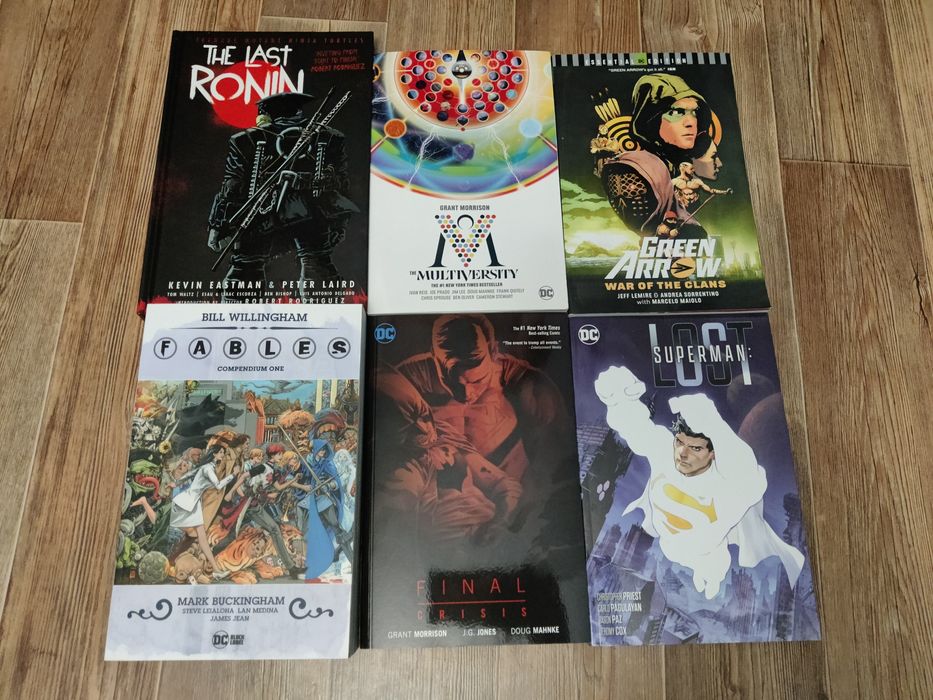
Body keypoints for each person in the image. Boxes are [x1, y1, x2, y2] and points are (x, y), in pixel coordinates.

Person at [594, 365, 805, 599]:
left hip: (705, 549)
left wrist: (710, 420)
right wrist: (619, 397)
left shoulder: (727, 488)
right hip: (670, 543)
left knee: (711, 563)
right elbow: (637, 429)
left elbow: (749, 474)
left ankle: (710, 575)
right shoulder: (665, 454)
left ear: (712, 454)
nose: (683, 454)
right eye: (680, 443)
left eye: (695, 449)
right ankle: (707, 571)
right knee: (687, 555)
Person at [207, 91, 358, 299]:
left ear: (266, 114)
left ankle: (237, 315)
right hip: (310, 215)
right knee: (317, 262)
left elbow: (232, 186)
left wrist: (217, 225)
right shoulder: (331, 137)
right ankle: (326, 316)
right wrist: (341, 223)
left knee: (246, 267)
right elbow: (341, 184)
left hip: (262, 215)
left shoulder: (245, 139)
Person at [596, 74, 714, 237]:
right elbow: (641, 223)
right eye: (677, 112)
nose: (691, 122)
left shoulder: (677, 166)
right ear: (651, 119)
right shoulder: (631, 169)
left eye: (694, 112)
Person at [170, 444, 235, 578]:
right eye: (221, 452)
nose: (222, 455)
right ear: (214, 454)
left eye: (223, 453)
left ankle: (216, 570)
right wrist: (233, 475)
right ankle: (170, 560)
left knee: (201, 538)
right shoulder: (208, 469)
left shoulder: (208, 467)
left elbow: (191, 473)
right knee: (178, 532)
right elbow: (218, 486)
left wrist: (176, 483)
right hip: (188, 502)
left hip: (193, 503)